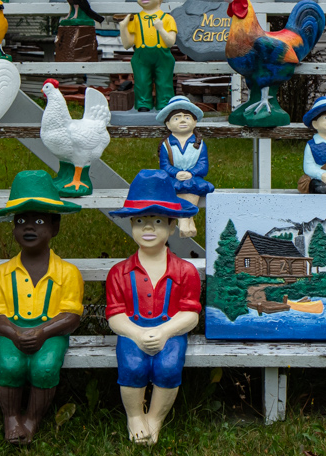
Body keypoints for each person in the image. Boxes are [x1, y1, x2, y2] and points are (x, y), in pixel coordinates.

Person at [0, 171, 84, 445]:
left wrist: (42, 332)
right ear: (13, 227)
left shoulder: (67, 272)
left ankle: (32, 419)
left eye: (39, 221)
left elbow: (71, 315)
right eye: (21, 221)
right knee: (8, 363)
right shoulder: (2, 274)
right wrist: (14, 332)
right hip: (12, 332)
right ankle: (11, 418)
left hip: (51, 334)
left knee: (44, 365)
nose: (29, 228)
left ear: (55, 227)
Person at [106, 170, 202, 445]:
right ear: (131, 224)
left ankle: (156, 417)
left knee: (169, 366)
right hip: (132, 329)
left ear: (172, 226)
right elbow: (115, 314)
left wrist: (164, 332)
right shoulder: (119, 272)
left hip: (170, 330)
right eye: (139, 221)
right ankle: (135, 415)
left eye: (157, 221)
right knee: (133, 365)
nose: (148, 228)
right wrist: (135, 334)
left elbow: (190, 313)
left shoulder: (185, 271)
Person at [156, 95, 215, 238]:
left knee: (191, 186)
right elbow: (164, 165)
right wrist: (176, 173)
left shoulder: (199, 144)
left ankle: (183, 220)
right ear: (168, 124)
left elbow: (203, 165)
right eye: (176, 118)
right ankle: (188, 220)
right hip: (173, 178)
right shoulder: (166, 144)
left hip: (193, 177)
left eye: (187, 117)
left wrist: (191, 173)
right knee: (178, 186)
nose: (182, 120)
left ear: (195, 122)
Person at [118, 0, 176, 111]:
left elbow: (170, 42)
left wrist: (161, 29)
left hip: (163, 55)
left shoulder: (167, 19)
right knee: (142, 81)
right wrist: (123, 27)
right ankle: (143, 103)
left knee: (164, 82)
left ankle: (165, 104)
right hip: (141, 56)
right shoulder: (136, 19)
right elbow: (127, 44)